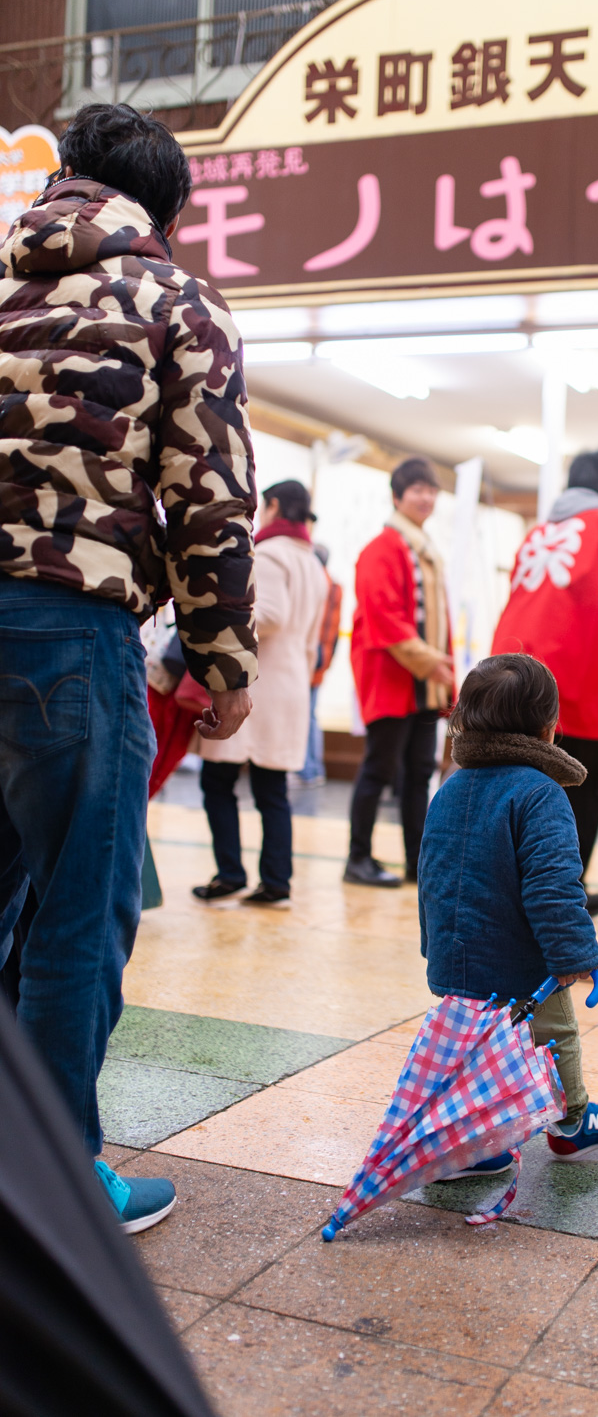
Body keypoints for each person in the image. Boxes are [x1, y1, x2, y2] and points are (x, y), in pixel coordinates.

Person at [0, 103, 257, 1231]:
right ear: (164, 207)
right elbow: (209, 498)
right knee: (74, 911)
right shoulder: (174, 300)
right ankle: (53, 1187)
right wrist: (223, 661)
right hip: (67, 627)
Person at [420, 653, 598, 1170]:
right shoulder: (541, 795)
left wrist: (437, 946)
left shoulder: (448, 790)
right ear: (549, 727)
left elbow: (433, 874)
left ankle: (478, 1145)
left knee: (475, 1052)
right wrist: (574, 955)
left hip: (457, 958)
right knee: (552, 1033)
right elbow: (554, 888)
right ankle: (572, 1122)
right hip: (522, 964)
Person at [492, 451, 598, 917]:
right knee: (578, 786)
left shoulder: (539, 531)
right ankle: (563, 896)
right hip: (563, 679)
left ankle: (505, 888)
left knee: (507, 783)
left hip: (504, 669)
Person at [196, 480, 329, 906]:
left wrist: (218, 618)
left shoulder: (269, 554)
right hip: (291, 685)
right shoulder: (313, 563)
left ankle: (230, 872)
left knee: (216, 781)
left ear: (272, 506)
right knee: (271, 790)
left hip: (259, 682)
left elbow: (270, 615)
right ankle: (275, 880)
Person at [345, 457, 454, 889]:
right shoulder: (383, 547)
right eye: (417, 490)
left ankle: (417, 862)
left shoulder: (425, 549)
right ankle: (357, 858)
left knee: (419, 772)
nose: (426, 498)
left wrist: (438, 667)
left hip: (423, 681)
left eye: (432, 491)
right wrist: (431, 660)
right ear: (397, 496)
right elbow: (383, 615)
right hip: (392, 674)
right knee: (379, 768)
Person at [298, 543, 342, 788]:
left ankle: (307, 770)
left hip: (309, 657)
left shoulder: (316, 584)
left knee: (306, 716)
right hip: (321, 657)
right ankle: (314, 769)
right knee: (311, 715)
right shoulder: (335, 586)